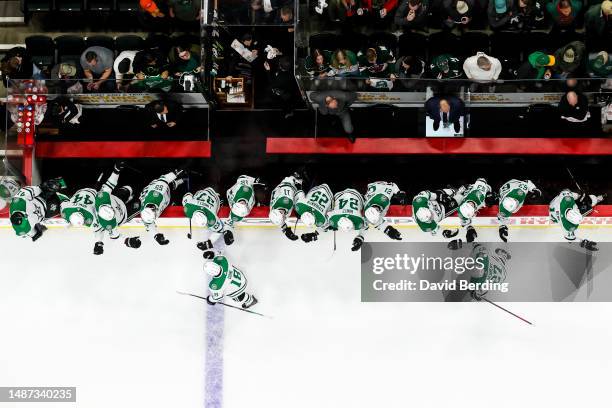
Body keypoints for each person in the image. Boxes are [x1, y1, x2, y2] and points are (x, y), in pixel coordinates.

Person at [139, 170, 185, 245]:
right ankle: (178, 182)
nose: (155, 214)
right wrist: (156, 236)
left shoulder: (156, 195)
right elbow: (149, 225)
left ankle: (179, 181)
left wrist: (177, 172)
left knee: (171, 186)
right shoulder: (146, 215)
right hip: (162, 197)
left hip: (158, 187)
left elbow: (164, 179)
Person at [268, 174, 304, 241]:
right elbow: (281, 223)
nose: (284, 219)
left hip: (292, 182)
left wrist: (298, 182)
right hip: (284, 187)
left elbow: (299, 195)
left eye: (283, 217)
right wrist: (288, 232)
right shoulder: (274, 213)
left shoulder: (286, 200)